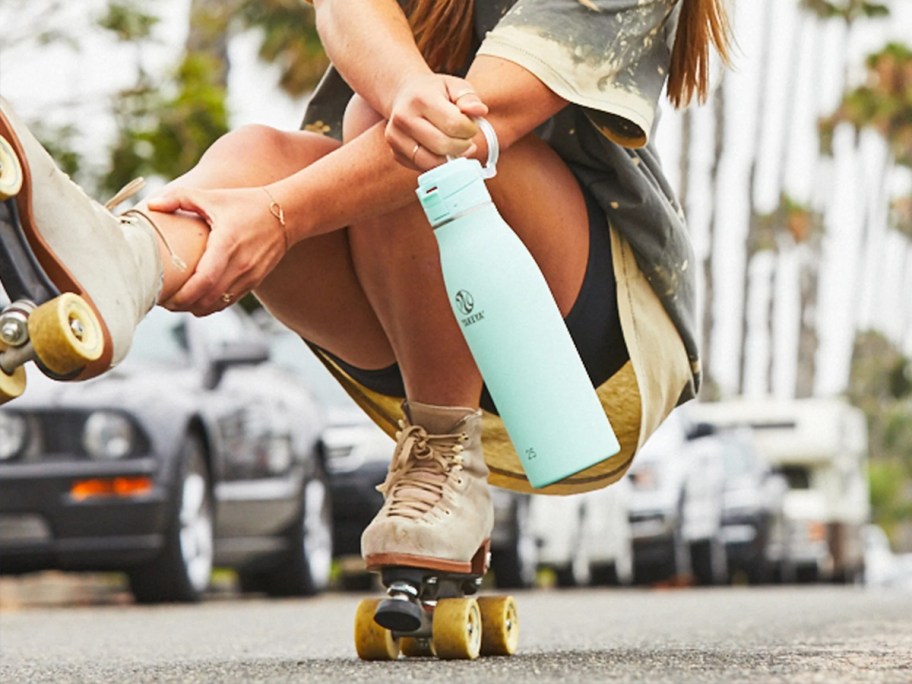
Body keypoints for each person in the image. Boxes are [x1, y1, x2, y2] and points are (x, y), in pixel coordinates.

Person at [0, 0, 731, 577]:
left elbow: (479, 123)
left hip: (587, 364)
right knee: (259, 151)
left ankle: (444, 454)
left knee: (396, 127)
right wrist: (401, 91)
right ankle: (124, 263)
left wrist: (282, 215)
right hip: (413, 325)